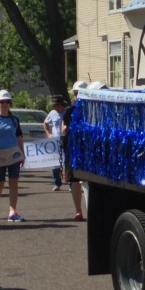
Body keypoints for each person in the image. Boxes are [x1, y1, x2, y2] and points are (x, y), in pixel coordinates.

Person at [0, 89, 27, 221]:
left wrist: (23, 154)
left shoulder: (14, 119)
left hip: (14, 153)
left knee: (14, 183)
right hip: (0, 154)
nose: (5, 104)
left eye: (7, 102)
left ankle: (12, 211)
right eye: (2, 101)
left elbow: (19, 137)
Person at [63, 82, 88, 221]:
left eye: (81, 93)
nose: (78, 96)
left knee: (89, 180)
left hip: (88, 148)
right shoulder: (70, 110)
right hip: (73, 148)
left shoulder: (92, 109)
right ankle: (78, 210)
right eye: (76, 93)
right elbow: (64, 128)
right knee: (75, 180)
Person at [44, 96, 67, 191]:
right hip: (55, 140)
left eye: (56, 105)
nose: (54, 107)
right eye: (54, 105)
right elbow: (45, 123)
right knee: (55, 163)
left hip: (66, 139)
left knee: (67, 162)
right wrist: (48, 133)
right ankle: (57, 183)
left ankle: (70, 184)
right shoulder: (52, 113)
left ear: (61, 105)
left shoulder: (67, 113)